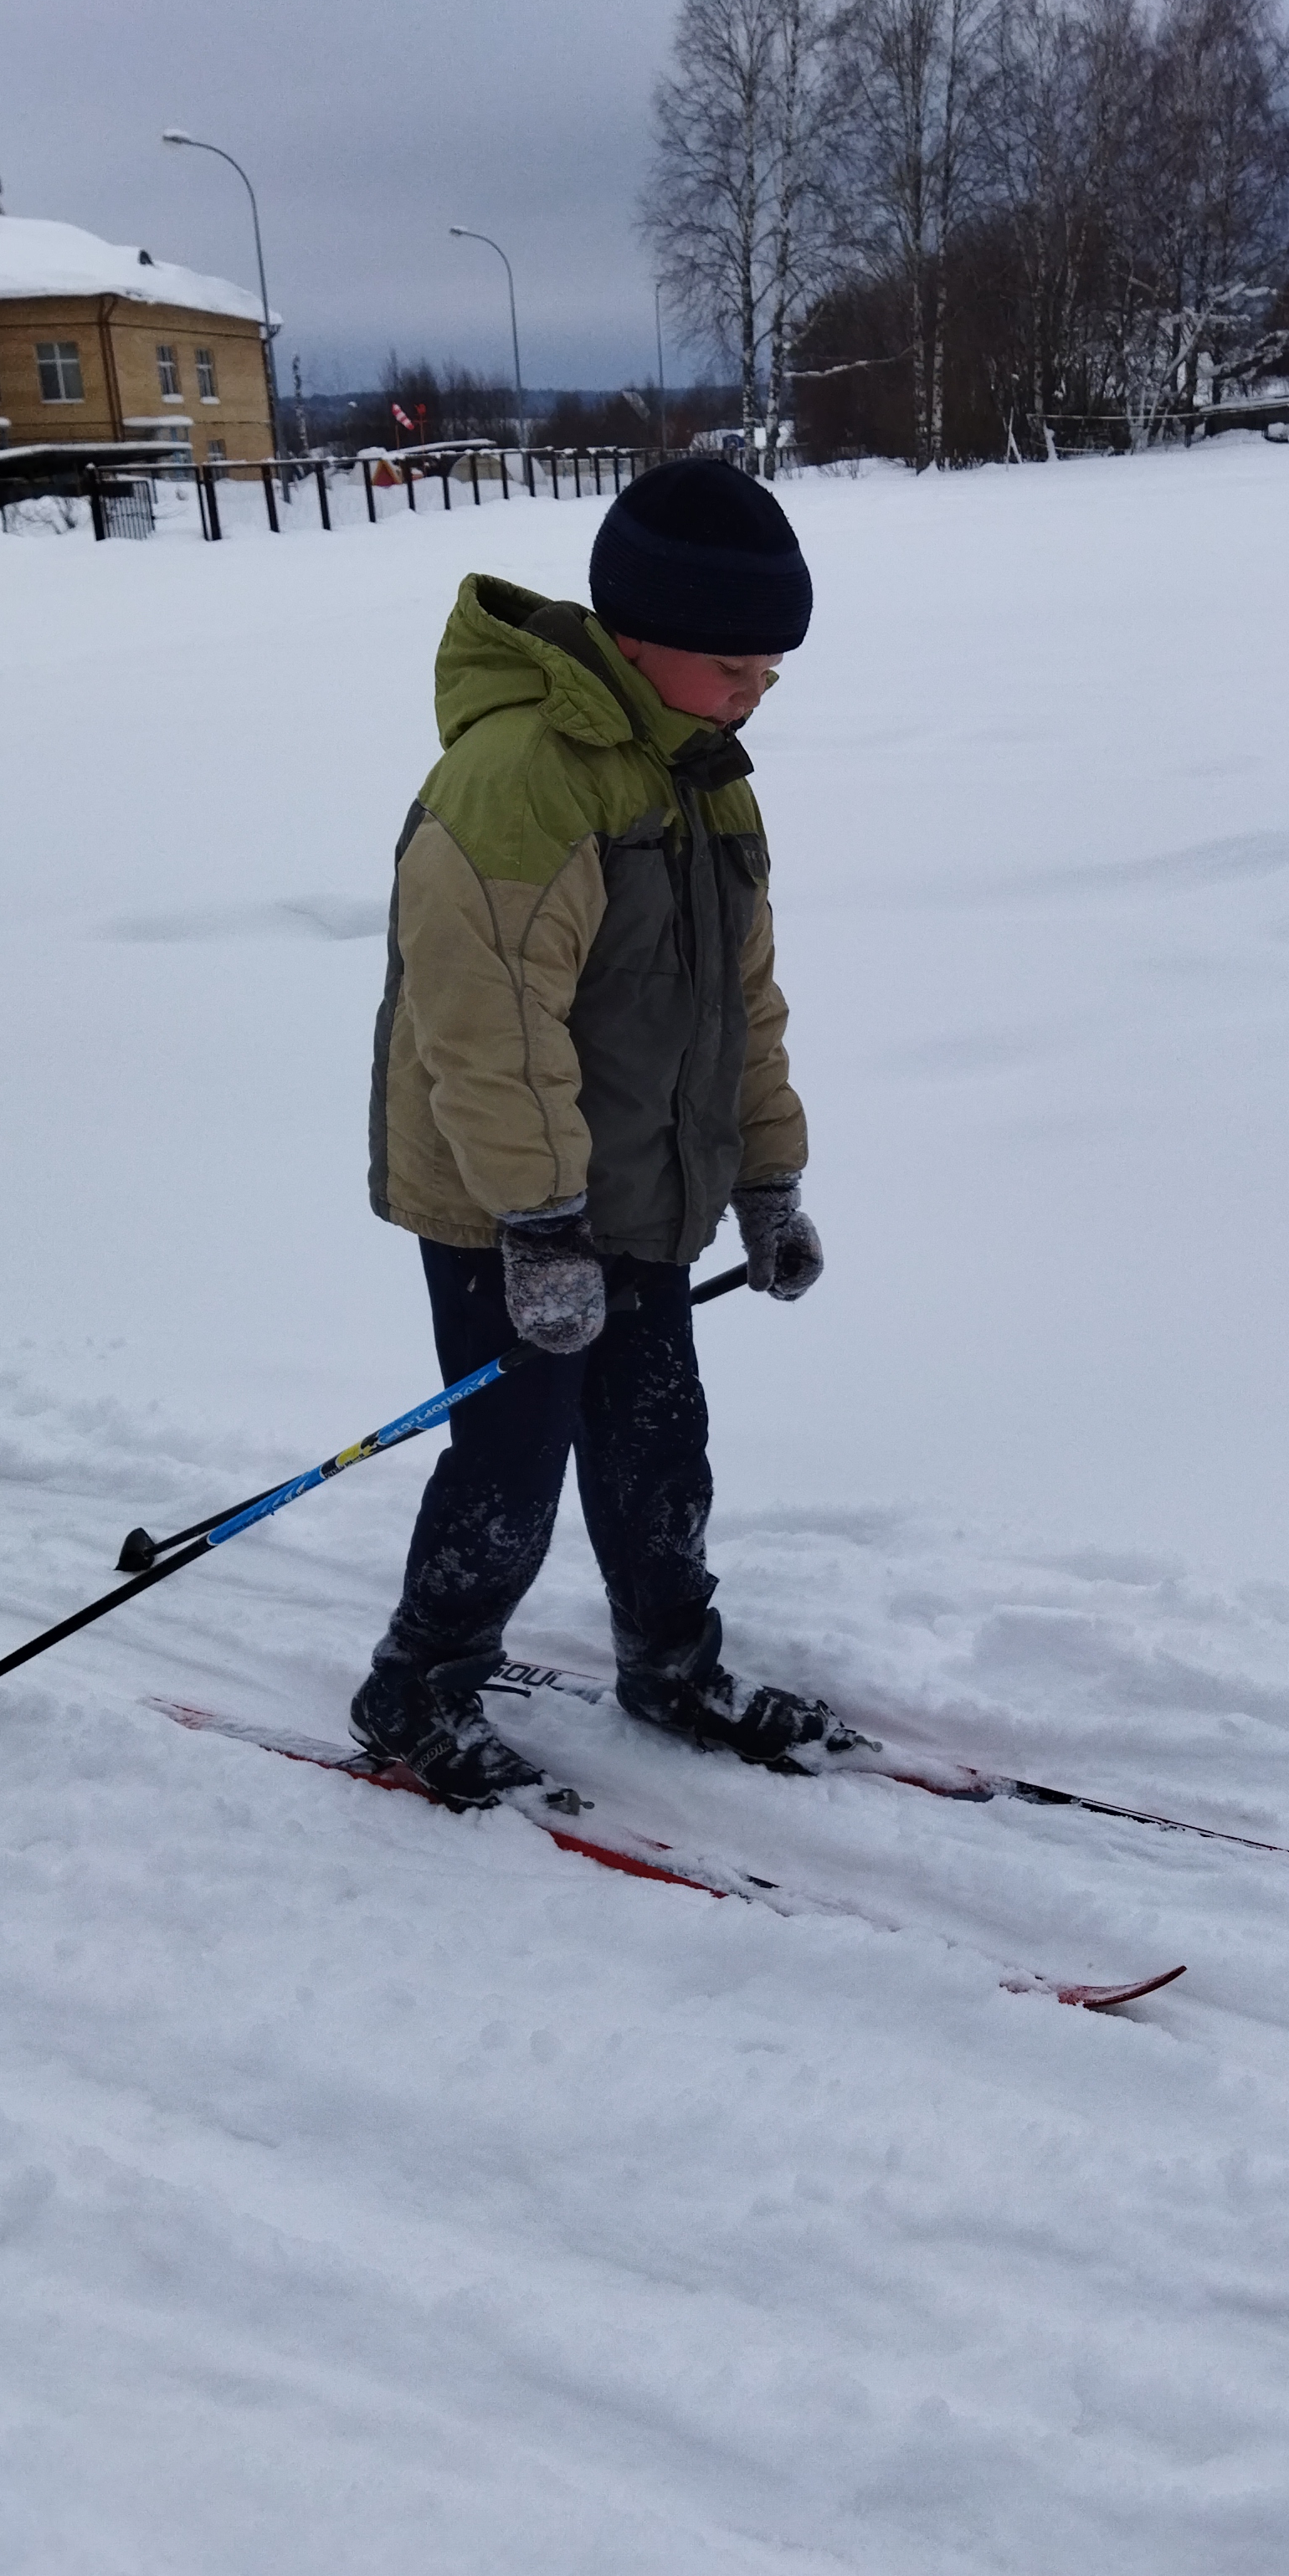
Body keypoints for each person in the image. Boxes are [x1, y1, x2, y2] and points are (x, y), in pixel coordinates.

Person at [352, 459, 835, 1807]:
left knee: (656, 1441)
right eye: (735, 661)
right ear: (637, 640)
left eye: (771, 667)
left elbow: (742, 1006)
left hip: (638, 1190)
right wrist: (538, 1227)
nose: (757, 690)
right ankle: (417, 1691)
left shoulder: (705, 780)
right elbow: (486, 1032)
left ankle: (670, 1662)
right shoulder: (520, 780)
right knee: (512, 1468)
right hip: (504, 1205)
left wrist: (768, 1181)